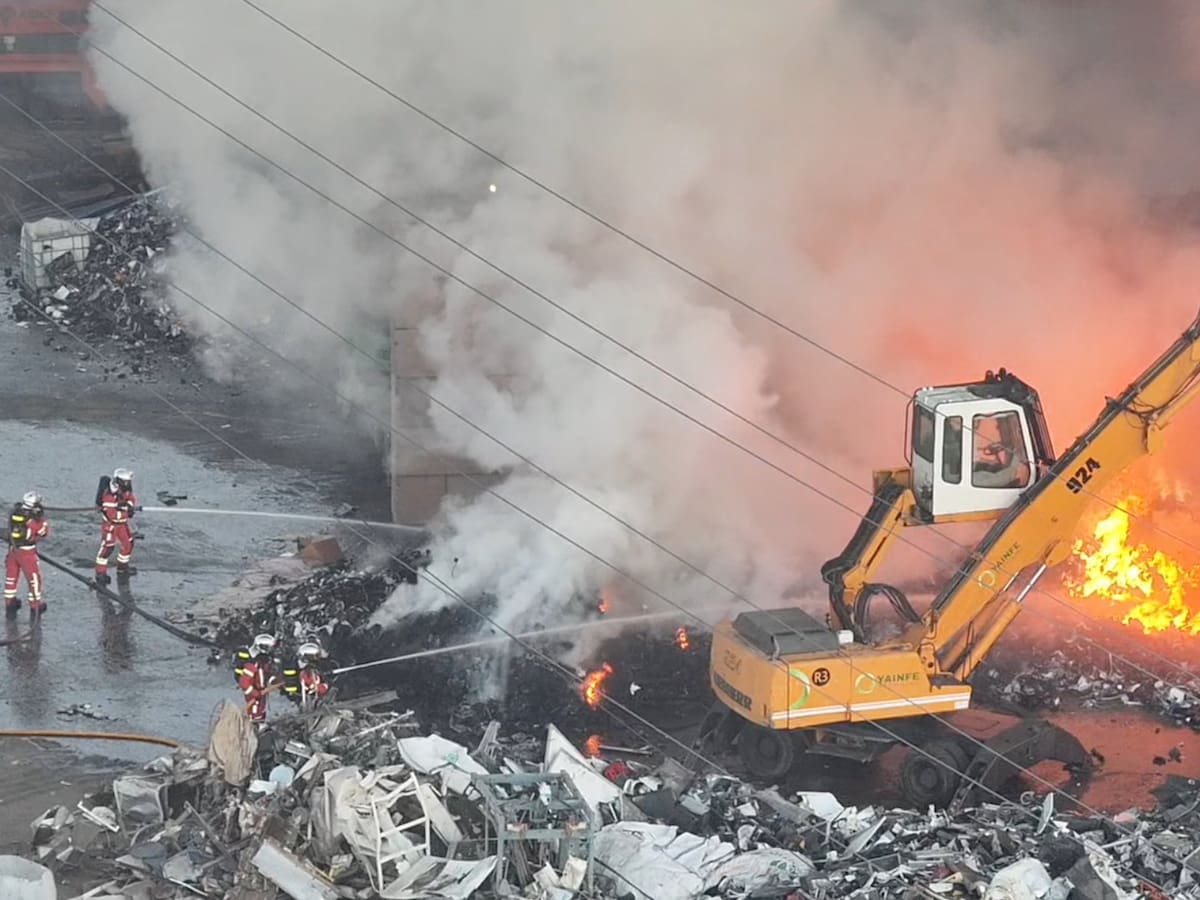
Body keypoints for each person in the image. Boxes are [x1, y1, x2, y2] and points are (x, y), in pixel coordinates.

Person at [4, 493, 49, 619]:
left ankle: (9, 603)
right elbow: (43, 532)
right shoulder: (33, 520)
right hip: (27, 553)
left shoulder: (15, 514)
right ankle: (35, 606)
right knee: (34, 579)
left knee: (11, 577)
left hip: (13, 551)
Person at [95, 468, 137, 585]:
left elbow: (131, 498)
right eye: (126, 482)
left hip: (122, 525)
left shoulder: (125, 491)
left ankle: (122, 567)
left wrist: (129, 505)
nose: (128, 484)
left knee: (128, 544)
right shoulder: (109, 495)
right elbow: (112, 515)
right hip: (111, 526)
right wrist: (125, 513)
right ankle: (100, 573)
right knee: (107, 549)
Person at [232, 633, 279, 725]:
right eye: (268, 648)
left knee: (261, 710)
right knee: (255, 712)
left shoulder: (263, 662)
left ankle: (260, 724)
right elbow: (244, 683)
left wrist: (274, 680)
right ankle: (254, 726)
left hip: (261, 692)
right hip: (254, 694)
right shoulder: (252, 664)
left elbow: (266, 675)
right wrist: (255, 693)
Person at [282, 641, 331, 711]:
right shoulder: (300, 672)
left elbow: (325, 684)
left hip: (317, 697)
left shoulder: (320, 670)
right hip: (302, 697)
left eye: (315, 656)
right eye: (312, 657)